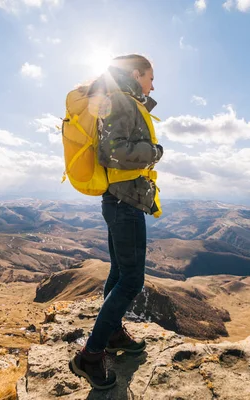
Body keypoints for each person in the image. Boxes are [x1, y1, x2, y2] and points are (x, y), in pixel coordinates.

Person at [69, 54, 164, 390]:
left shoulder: (120, 100)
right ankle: (90, 355)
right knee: (131, 280)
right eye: (151, 77)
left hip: (120, 199)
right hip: (125, 202)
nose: (153, 84)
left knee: (119, 274)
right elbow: (112, 152)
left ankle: (111, 335)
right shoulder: (122, 102)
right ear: (136, 74)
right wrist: (154, 152)